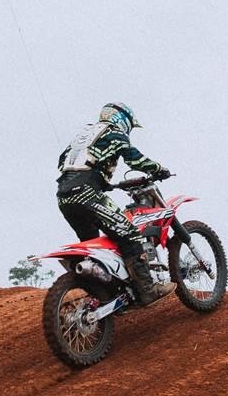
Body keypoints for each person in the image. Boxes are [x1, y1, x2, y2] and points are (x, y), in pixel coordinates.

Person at [56, 102, 175, 305]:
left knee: (94, 248)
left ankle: (104, 293)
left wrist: (104, 183)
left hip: (64, 197)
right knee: (130, 233)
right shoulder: (114, 132)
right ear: (122, 119)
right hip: (87, 194)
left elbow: (64, 163)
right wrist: (158, 169)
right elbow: (135, 160)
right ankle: (148, 291)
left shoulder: (83, 137)